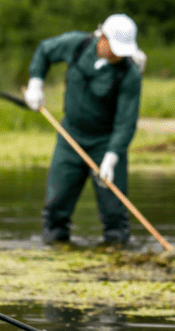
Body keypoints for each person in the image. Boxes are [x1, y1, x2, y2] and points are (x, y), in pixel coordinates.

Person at [24, 14, 146, 246]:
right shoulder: (77, 44)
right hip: (70, 137)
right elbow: (44, 51)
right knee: (56, 206)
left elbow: (126, 122)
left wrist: (111, 157)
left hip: (105, 143)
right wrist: (35, 84)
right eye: (115, 48)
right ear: (103, 38)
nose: (119, 54)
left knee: (114, 214)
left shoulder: (129, 74)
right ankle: (55, 250)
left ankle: (116, 256)